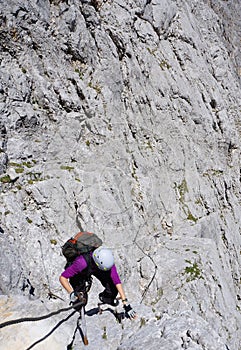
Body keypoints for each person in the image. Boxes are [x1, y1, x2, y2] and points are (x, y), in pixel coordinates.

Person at [59, 246, 137, 319]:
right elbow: (63, 278)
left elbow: (116, 280)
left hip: (93, 267)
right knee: (81, 299)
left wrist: (125, 302)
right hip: (79, 273)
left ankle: (105, 298)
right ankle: (78, 312)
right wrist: (72, 293)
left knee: (112, 287)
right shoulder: (81, 263)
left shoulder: (107, 260)